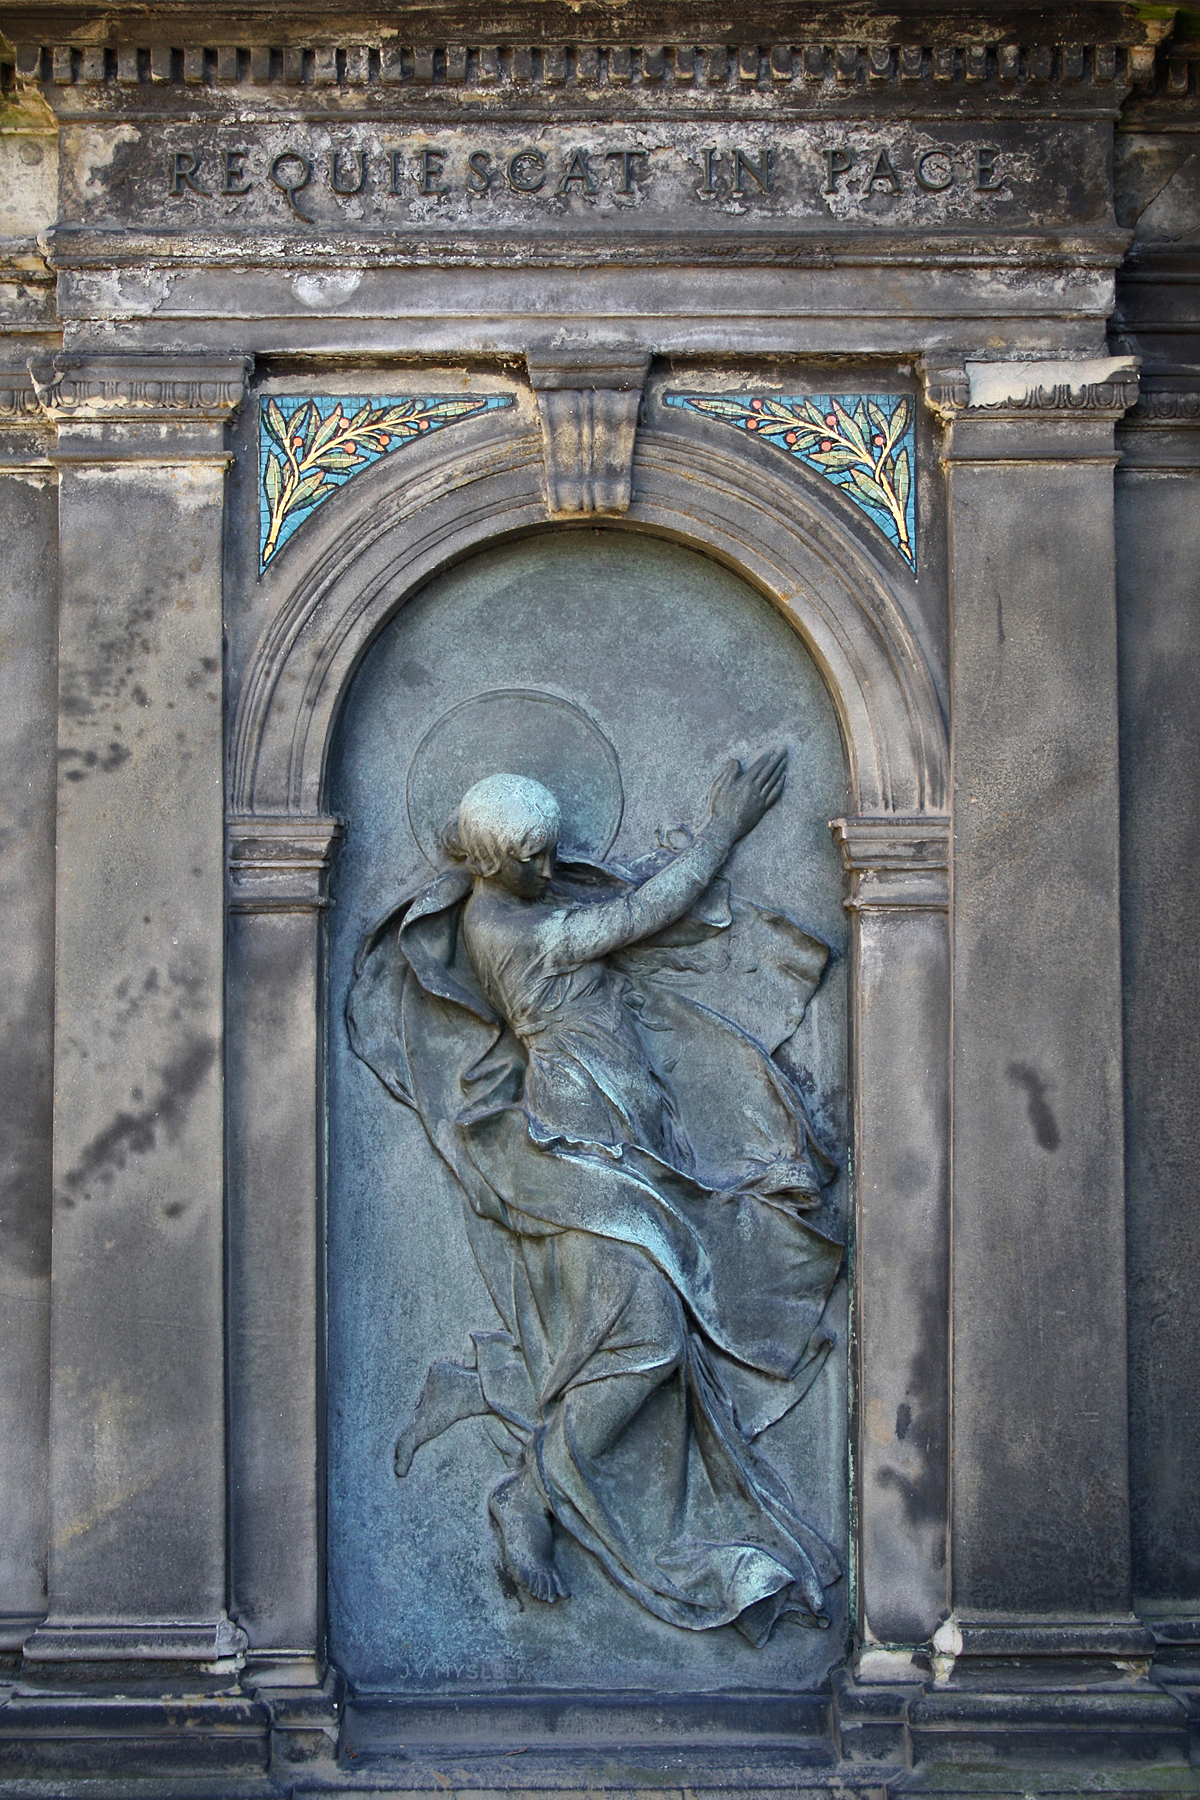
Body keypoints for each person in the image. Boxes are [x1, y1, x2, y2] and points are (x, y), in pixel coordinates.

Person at [348, 752, 844, 1643]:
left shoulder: (521, 902)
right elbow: (642, 915)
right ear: (489, 862)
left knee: (653, 1327)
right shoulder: (517, 933)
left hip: (620, 1137)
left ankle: (526, 1457)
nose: (550, 868)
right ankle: (530, 1497)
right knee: (649, 1340)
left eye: (548, 853)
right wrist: (722, 832)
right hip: (577, 1154)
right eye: (532, 859)